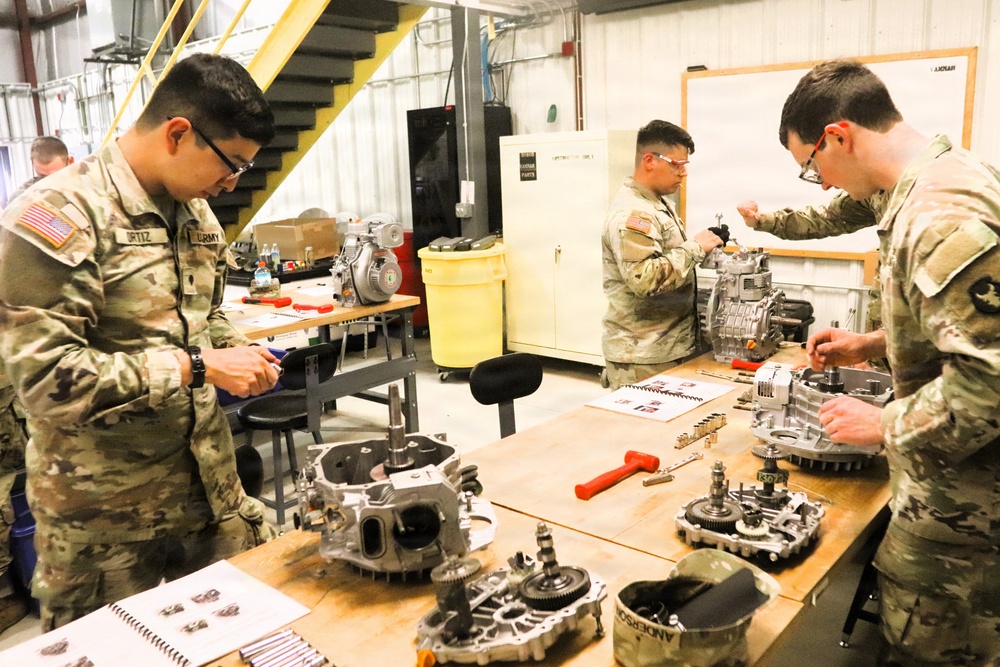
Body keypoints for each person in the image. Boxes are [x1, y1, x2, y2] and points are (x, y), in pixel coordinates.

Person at [0, 53, 283, 631]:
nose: (233, 183)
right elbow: (47, 383)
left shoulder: (195, 212)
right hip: (103, 525)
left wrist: (240, 349)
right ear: (179, 133)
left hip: (210, 499)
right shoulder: (56, 216)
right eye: (231, 164)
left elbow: (206, 314)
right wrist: (198, 366)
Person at [780, 59, 1000, 666]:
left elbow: (990, 381)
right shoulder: (952, 175)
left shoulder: (937, 214)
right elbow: (966, 329)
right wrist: (873, 344)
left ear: (839, 135)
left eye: (811, 166)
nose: (821, 185)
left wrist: (882, 427)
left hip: (968, 519)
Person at [601, 120, 723, 390]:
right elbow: (644, 279)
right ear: (649, 160)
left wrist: (703, 247)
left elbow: (665, 256)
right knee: (642, 431)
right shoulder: (633, 213)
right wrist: (694, 248)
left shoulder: (656, 203)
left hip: (667, 346)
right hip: (643, 355)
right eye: (677, 164)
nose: (683, 173)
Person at [735, 192, 886, 333]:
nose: (825, 187)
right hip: (886, 334)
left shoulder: (904, 193)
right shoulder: (872, 193)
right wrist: (761, 219)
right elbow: (823, 218)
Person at [8, 136, 73, 202]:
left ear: (70, 162)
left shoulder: (80, 188)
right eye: (42, 176)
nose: (49, 182)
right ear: (32, 161)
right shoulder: (20, 197)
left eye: (55, 176)